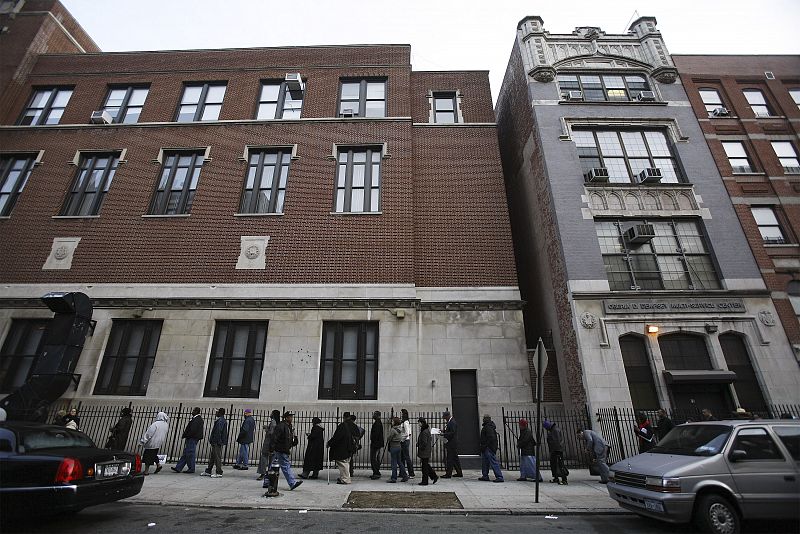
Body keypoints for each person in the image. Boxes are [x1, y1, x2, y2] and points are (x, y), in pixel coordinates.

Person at [271, 411, 302, 490]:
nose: (291, 418)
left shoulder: (289, 427)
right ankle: (292, 483)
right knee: (285, 466)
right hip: (281, 449)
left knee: (272, 466)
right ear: (286, 417)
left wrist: (295, 439)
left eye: (292, 416)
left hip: (283, 449)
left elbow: (289, 439)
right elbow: (275, 438)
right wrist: (271, 448)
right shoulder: (281, 426)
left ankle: (267, 482)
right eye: (290, 417)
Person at [172, 407, 203, 473]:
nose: (192, 412)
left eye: (193, 410)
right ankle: (178, 467)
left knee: (190, 453)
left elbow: (193, 430)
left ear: (196, 411)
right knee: (186, 453)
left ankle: (191, 468)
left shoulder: (197, 419)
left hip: (192, 438)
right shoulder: (196, 419)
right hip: (192, 437)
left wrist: (187, 435)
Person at [327, 412, 356, 485]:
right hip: (349, 447)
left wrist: (330, 443)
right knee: (346, 463)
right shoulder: (351, 425)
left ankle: (345, 479)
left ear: (344, 417)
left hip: (343, 448)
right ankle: (345, 478)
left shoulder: (343, 425)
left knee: (343, 463)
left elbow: (337, 437)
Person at [202, 408, 228, 478]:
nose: (216, 413)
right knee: (213, 457)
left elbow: (218, 432)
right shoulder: (221, 420)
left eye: (217, 412)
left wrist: (215, 441)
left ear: (220, 413)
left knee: (217, 457)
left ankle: (219, 472)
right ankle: (208, 470)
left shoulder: (220, 421)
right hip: (216, 441)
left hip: (216, 442)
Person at [478, 414, 504, 483]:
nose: (483, 419)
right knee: (485, 462)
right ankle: (485, 475)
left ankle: (499, 476)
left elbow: (491, 438)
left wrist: (486, 445)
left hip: (488, 448)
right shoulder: (488, 426)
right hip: (487, 447)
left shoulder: (488, 427)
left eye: (484, 418)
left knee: (493, 462)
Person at [257, 410, 281, 481]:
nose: (270, 414)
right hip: (273, 444)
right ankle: (270, 473)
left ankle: (262, 473)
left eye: (271, 413)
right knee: (272, 459)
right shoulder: (276, 422)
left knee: (264, 457)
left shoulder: (273, 422)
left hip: (268, 443)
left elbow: (271, 433)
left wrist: (266, 428)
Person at [544, 419, 568, 485]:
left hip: (557, 450)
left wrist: (555, 450)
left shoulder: (555, 430)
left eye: (546, 428)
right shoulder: (553, 430)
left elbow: (557, 441)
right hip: (555, 450)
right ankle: (556, 477)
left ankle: (564, 479)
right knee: (554, 464)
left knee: (560, 465)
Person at [386, 416, 409, 483]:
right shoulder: (400, 429)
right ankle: (405, 475)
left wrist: (389, 438)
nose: (392, 422)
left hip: (393, 447)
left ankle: (393, 478)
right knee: (400, 462)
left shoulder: (393, 430)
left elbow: (389, 438)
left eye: (392, 421)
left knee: (394, 463)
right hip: (399, 446)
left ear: (395, 422)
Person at [416, 417, 438, 486]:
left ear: (422, 423)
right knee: (426, 465)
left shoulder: (424, 431)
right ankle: (434, 476)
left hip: (424, 452)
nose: (418, 424)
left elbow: (424, 442)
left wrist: (420, 446)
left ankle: (425, 481)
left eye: (419, 422)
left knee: (424, 467)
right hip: (426, 451)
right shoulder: (425, 430)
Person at [440, 410, 462, 478]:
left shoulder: (452, 422)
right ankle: (459, 473)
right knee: (455, 459)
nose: (444, 419)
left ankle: (448, 474)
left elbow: (452, 433)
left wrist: (444, 434)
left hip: (451, 443)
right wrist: (443, 431)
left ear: (447, 416)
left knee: (450, 459)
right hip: (452, 443)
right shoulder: (450, 421)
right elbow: (450, 430)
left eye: (444, 418)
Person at [400, 408, 415, 478]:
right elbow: (410, 433)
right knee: (402, 457)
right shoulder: (407, 422)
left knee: (406, 457)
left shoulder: (405, 422)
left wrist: (402, 439)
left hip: (404, 441)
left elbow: (407, 433)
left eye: (402, 414)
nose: (401, 415)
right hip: (405, 441)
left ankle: (411, 473)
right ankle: (402, 472)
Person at [348, 413, 365, 478]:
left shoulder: (349, 426)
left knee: (348, 459)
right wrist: (357, 444)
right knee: (351, 459)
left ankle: (349, 471)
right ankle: (351, 471)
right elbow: (358, 436)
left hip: (349, 444)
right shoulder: (355, 427)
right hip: (353, 444)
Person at [369, 410, 384, 480]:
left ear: (378, 416)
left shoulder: (377, 423)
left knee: (373, 459)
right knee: (376, 459)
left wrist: (373, 440)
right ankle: (376, 472)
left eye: (375, 414)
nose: (373, 415)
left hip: (376, 444)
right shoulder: (378, 423)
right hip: (377, 444)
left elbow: (376, 435)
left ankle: (376, 473)